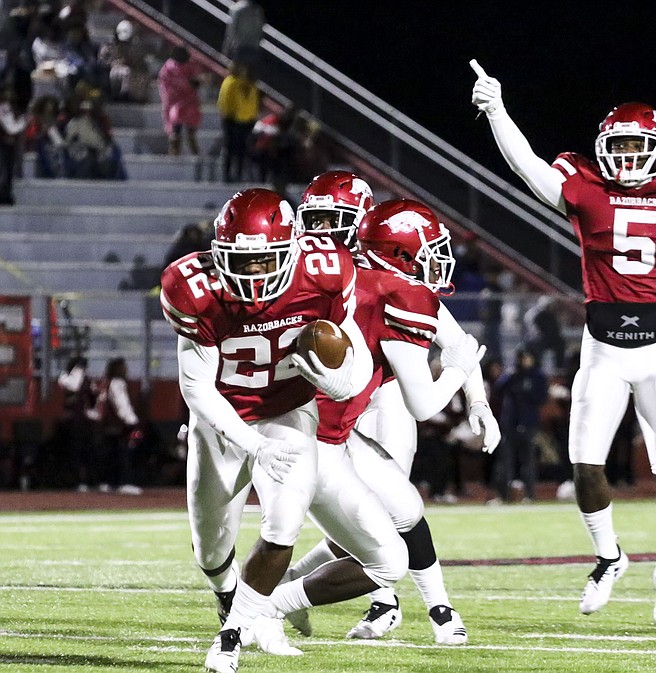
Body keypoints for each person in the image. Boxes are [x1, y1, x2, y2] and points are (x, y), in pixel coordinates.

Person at [471, 60, 656, 629]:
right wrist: (497, 110)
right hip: (602, 349)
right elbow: (529, 166)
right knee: (585, 468)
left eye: (639, 148)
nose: (630, 159)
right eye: (622, 147)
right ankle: (609, 556)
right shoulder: (585, 190)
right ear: (606, 148)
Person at [161, 188, 414, 671]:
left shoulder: (324, 271)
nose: (254, 273)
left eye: (266, 260)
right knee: (211, 547)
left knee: (283, 524)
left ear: (292, 249)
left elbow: (354, 353)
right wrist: (251, 444)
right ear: (219, 254)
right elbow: (198, 391)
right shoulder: (192, 288)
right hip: (222, 420)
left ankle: (232, 634)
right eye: (241, 261)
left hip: (289, 412)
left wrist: (341, 380)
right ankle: (227, 596)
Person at [281, 176, 495, 644]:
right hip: (316, 416)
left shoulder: (392, 284)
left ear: (362, 224)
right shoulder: (307, 273)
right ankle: (364, 599)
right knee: (367, 515)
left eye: (330, 221)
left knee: (393, 507)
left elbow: (454, 342)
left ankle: (423, 606)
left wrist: (477, 400)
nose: (318, 232)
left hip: (386, 391)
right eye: (312, 220)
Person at [492, 347, 549, 503]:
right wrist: (512, 377)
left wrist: (524, 392)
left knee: (528, 462)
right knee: (505, 462)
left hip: (528, 424)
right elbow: (498, 388)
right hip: (510, 424)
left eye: (526, 357)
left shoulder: (537, 376)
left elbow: (541, 397)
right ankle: (504, 496)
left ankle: (529, 495)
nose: (524, 361)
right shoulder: (513, 375)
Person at [94, 357, 142, 495]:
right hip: (119, 425)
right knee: (123, 454)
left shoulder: (106, 383)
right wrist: (133, 422)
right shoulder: (117, 383)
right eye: (124, 366)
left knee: (110, 454)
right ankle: (124, 482)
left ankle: (108, 482)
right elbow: (122, 405)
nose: (126, 369)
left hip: (106, 425)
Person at [56, 355, 99, 491]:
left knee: (84, 452)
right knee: (77, 452)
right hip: (74, 421)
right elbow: (74, 391)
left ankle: (85, 480)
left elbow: (92, 398)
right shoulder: (67, 378)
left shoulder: (84, 380)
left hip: (82, 421)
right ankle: (78, 481)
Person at [217, 60, 259, 182]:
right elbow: (225, 101)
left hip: (246, 120)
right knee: (230, 148)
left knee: (242, 149)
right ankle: (227, 175)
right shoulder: (230, 82)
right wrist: (228, 115)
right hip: (232, 120)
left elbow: (252, 102)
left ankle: (239, 175)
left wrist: (252, 116)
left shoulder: (249, 85)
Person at [157, 45, 202, 156]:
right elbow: (164, 85)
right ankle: (174, 151)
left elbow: (196, 81)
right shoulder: (168, 68)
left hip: (189, 100)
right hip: (174, 100)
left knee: (191, 126)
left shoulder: (191, 65)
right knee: (175, 124)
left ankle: (194, 149)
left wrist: (191, 84)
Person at [98, 19, 151, 103]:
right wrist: (114, 63)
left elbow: (139, 61)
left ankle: (138, 97)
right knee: (126, 72)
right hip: (112, 71)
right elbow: (102, 62)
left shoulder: (133, 47)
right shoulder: (108, 47)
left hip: (131, 69)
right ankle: (122, 95)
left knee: (141, 75)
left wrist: (131, 61)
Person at [221, 0, 265, 75]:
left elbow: (231, 30)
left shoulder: (236, 9)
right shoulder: (258, 11)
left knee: (234, 73)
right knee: (247, 74)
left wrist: (226, 47)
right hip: (252, 47)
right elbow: (259, 31)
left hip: (238, 46)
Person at [0, 85, 26, 205]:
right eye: (7, 92)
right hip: (3, 144)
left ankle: (6, 193)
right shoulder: (3, 108)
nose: (9, 95)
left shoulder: (14, 109)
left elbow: (16, 127)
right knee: (3, 170)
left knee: (9, 170)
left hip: (11, 146)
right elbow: (11, 128)